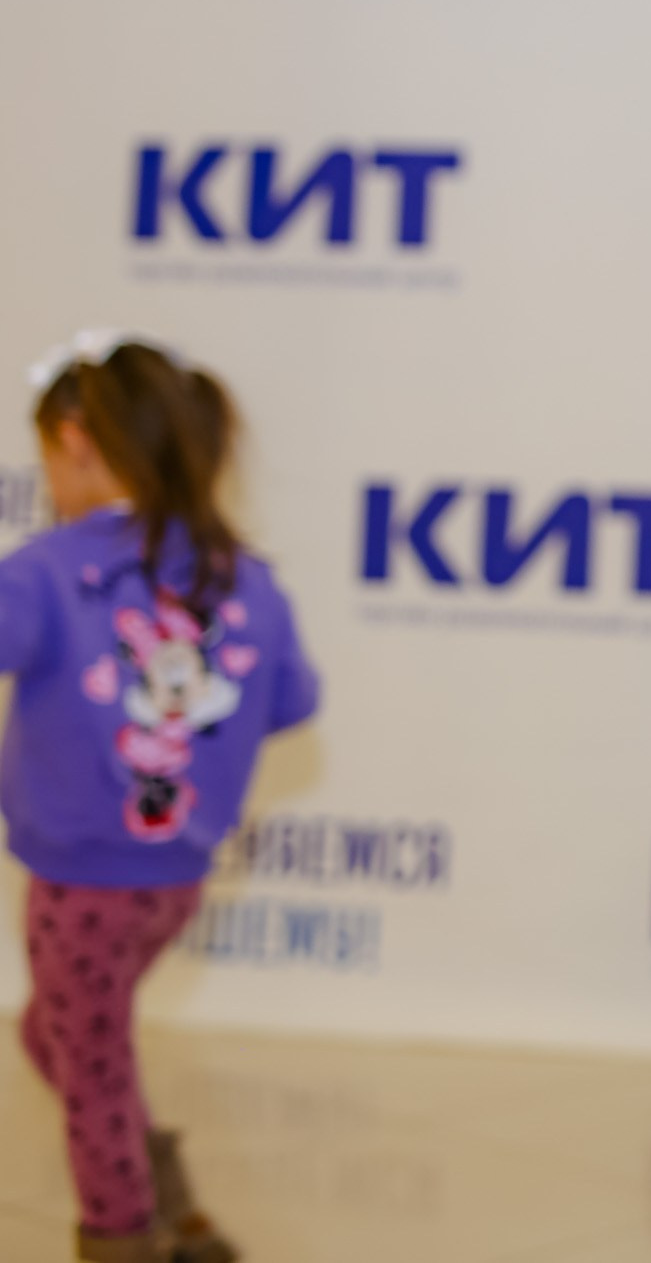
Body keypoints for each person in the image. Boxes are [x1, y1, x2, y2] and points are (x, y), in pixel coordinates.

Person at [4, 334, 323, 1263]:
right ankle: (166, 1195)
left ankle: (124, 1235)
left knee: (88, 1060)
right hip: (174, 875)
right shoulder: (243, 575)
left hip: (79, 876)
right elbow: (294, 699)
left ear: (77, 443)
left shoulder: (52, 568)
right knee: (61, 1033)